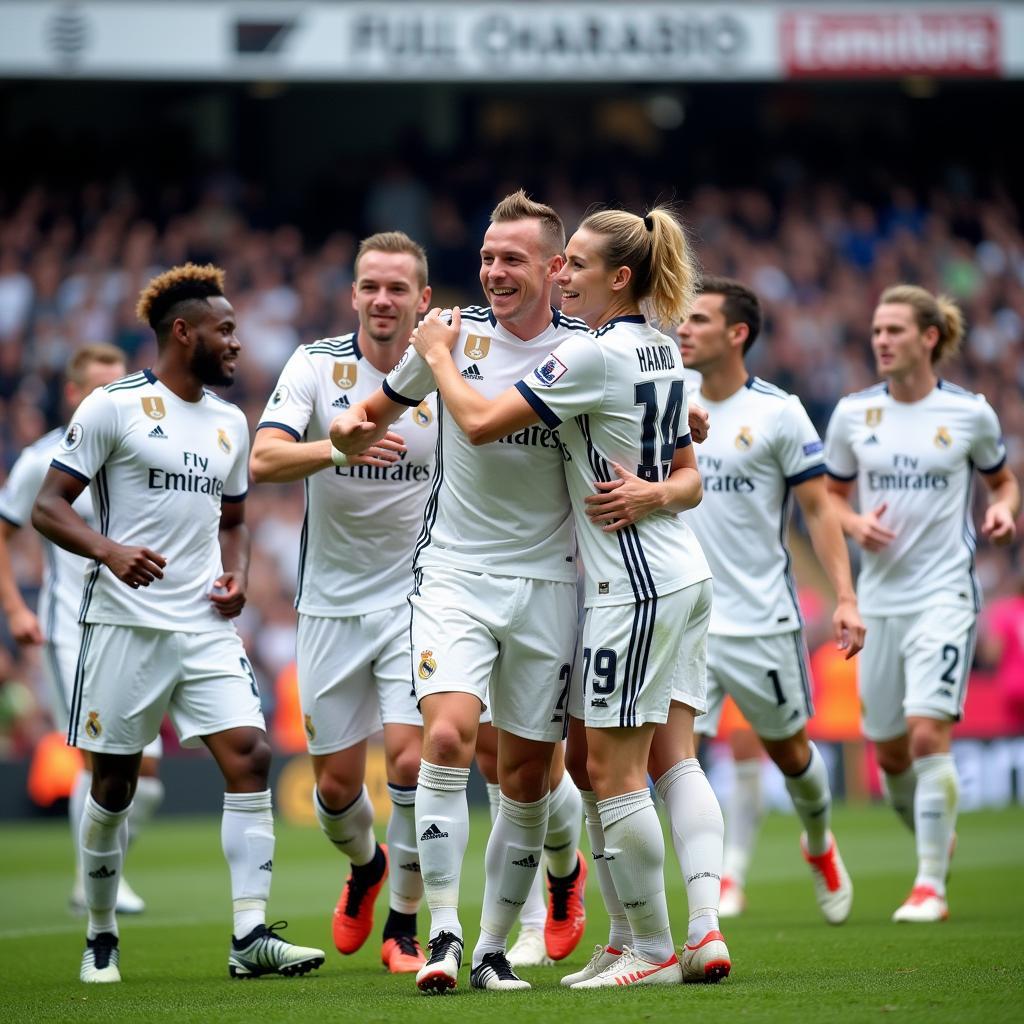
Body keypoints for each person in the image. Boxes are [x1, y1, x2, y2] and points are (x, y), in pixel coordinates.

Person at [410, 206, 726, 988]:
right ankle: (680, 934)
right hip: (675, 572)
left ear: (618, 278)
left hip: (634, 584)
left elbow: (480, 420)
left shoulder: (596, 354)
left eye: (575, 264)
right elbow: (688, 471)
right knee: (623, 760)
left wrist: (439, 356)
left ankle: (653, 950)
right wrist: (656, 493)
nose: (562, 274)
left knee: (617, 773)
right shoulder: (657, 348)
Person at [330, 192, 592, 994]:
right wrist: (347, 432)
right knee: (444, 741)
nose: (494, 271)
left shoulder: (587, 348)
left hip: (552, 581)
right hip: (452, 573)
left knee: (526, 780)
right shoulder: (452, 333)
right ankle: (445, 937)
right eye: (485, 257)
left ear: (553, 268)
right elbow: (370, 413)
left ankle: (494, 946)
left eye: (512, 258)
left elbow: (651, 420)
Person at [32, 264, 324, 982]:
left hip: (202, 627)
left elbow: (234, 520)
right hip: (124, 627)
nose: (236, 343)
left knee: (252, 754)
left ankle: (249, 935)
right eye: (224, 330)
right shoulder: (113, 407)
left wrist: (237, 573)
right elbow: (48, 506)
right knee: (114, 788)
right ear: (182, 332)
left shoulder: (230, 422)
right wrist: (110, 549)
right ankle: (100, 931)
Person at [250, 231, 435, 973]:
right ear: (353, 294)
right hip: (328, 603)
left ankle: (405, 926)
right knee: (333, 789)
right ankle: (366, 867)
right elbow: (263, 459)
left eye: (398, 288)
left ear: (422, 299)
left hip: (420, 599)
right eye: (371, 286)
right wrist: (337, 448)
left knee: (415, 764)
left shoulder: (443, 372)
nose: (383, 299)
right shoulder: (315, 366)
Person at [824, 283, 1020, 923]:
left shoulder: (970, 413)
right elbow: (827, 500)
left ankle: (930, 883)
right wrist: (855, 527)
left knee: (928, 730)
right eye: (877, 330)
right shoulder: (854, 414)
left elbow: (1003, 482)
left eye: (895, 330)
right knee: (888, 750)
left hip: (944, 595)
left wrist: (1002, 511)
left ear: (929, 338)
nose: (881, 340)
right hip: (878, 600)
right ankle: (935, 834)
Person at [677, 276, 864, 922]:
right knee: (676, 759)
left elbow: (818, 509)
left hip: (762, 621)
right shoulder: (666, 400)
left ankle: (818, 841)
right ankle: (711, 893)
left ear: (738, 334)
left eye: (699, 320)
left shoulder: (779, 413)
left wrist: (843, 595)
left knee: (790, 752)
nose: (684, 328)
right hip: (685, 618)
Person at [0, 344, 163, 916]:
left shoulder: (137, 451)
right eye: (99, 387)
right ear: (73, 394)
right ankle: (90, 881)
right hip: (71, 627)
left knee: (149, 775)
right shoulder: (40, 460)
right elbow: (5, 532)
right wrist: (17, 610)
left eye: (119, 385)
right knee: (102, 759)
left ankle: (99, 868)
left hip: (137, 628)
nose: (112, 397)